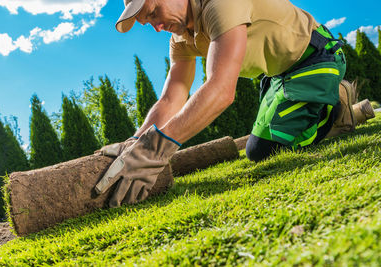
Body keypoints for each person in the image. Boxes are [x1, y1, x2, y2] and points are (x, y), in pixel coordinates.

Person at [94, 0, 375, 207]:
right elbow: (172, 96)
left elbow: (220, 90)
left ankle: (337, 107)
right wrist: (137, 140)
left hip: (316, 59)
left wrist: (156, 150)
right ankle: (326, 107)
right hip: (279, 76)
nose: (156, 27)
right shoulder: (180, 37)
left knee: (262, 150)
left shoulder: (220, 4)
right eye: (148, 22)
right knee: (260, 145)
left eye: (154, 12)